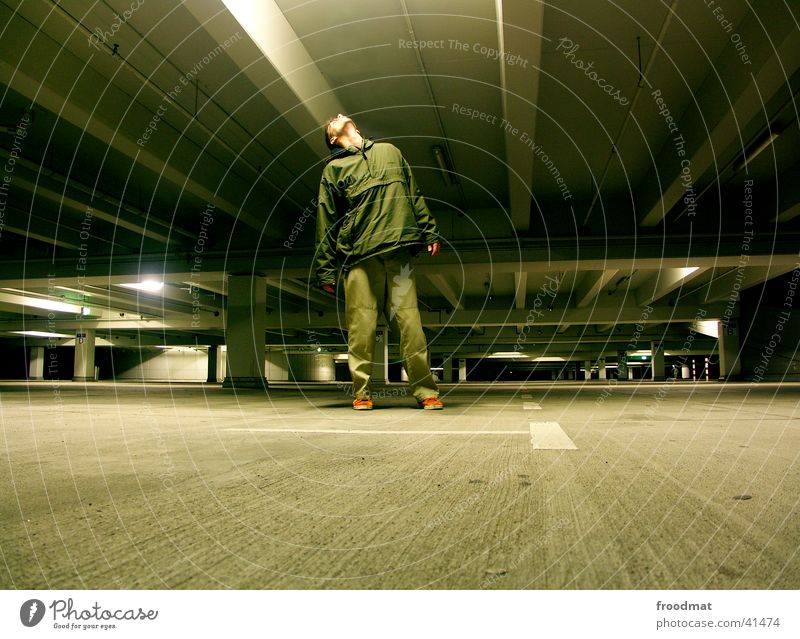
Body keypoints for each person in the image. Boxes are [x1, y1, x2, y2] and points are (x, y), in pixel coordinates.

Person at [315, 114, 444, 411]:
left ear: (356, 128)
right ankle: (362, 391)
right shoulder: (333, 170)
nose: (336, 116)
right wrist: (325, 267)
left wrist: (429, 229)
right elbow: (326, 220)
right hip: (359, 258)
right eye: (331, 122)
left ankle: (426, 391)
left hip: (399, 252)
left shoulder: (390, 151)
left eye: (340, 116)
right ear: (332, 139)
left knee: (411, 328)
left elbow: (413, 192)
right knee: (361, 329)